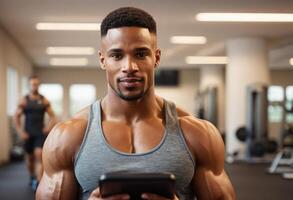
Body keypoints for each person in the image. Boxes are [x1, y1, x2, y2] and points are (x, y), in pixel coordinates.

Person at [36, 7, 235, 200]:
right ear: (103, 60)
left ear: (156, 58)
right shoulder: (67, 136)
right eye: (117, 55)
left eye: (140, 54)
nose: (129, 67)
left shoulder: (197, 133)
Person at [14, 75, 56, 190]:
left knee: (39, 155)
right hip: (28, 134)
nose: (34, 86)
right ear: (29, 85)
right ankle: (32, 176)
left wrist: (48, 127)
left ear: (38, 85)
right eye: (32, 84)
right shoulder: (24, 100)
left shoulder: (43, 100)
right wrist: (20, 131)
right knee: (30, 158)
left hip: (39, 134)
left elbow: (52, 116)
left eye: (36, 84)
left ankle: (38, 181)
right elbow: (16, 117)